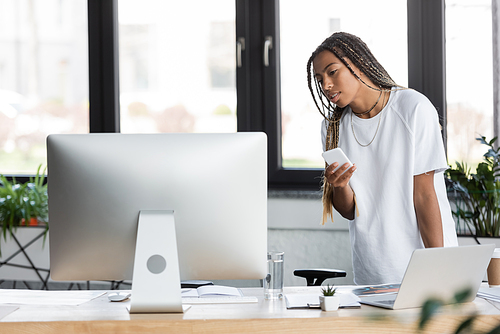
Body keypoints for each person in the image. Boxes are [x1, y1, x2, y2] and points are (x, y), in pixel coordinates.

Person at [306, 32, 458, 285]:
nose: (326, 86)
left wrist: (437, 268)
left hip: (425, 263)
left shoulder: (413, 108)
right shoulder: (332, 127)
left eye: (332, 72)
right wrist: (339, 185)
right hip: (372, 272)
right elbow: (350, 211)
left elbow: (425, 196)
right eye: (319, 79)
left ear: (358, 63)